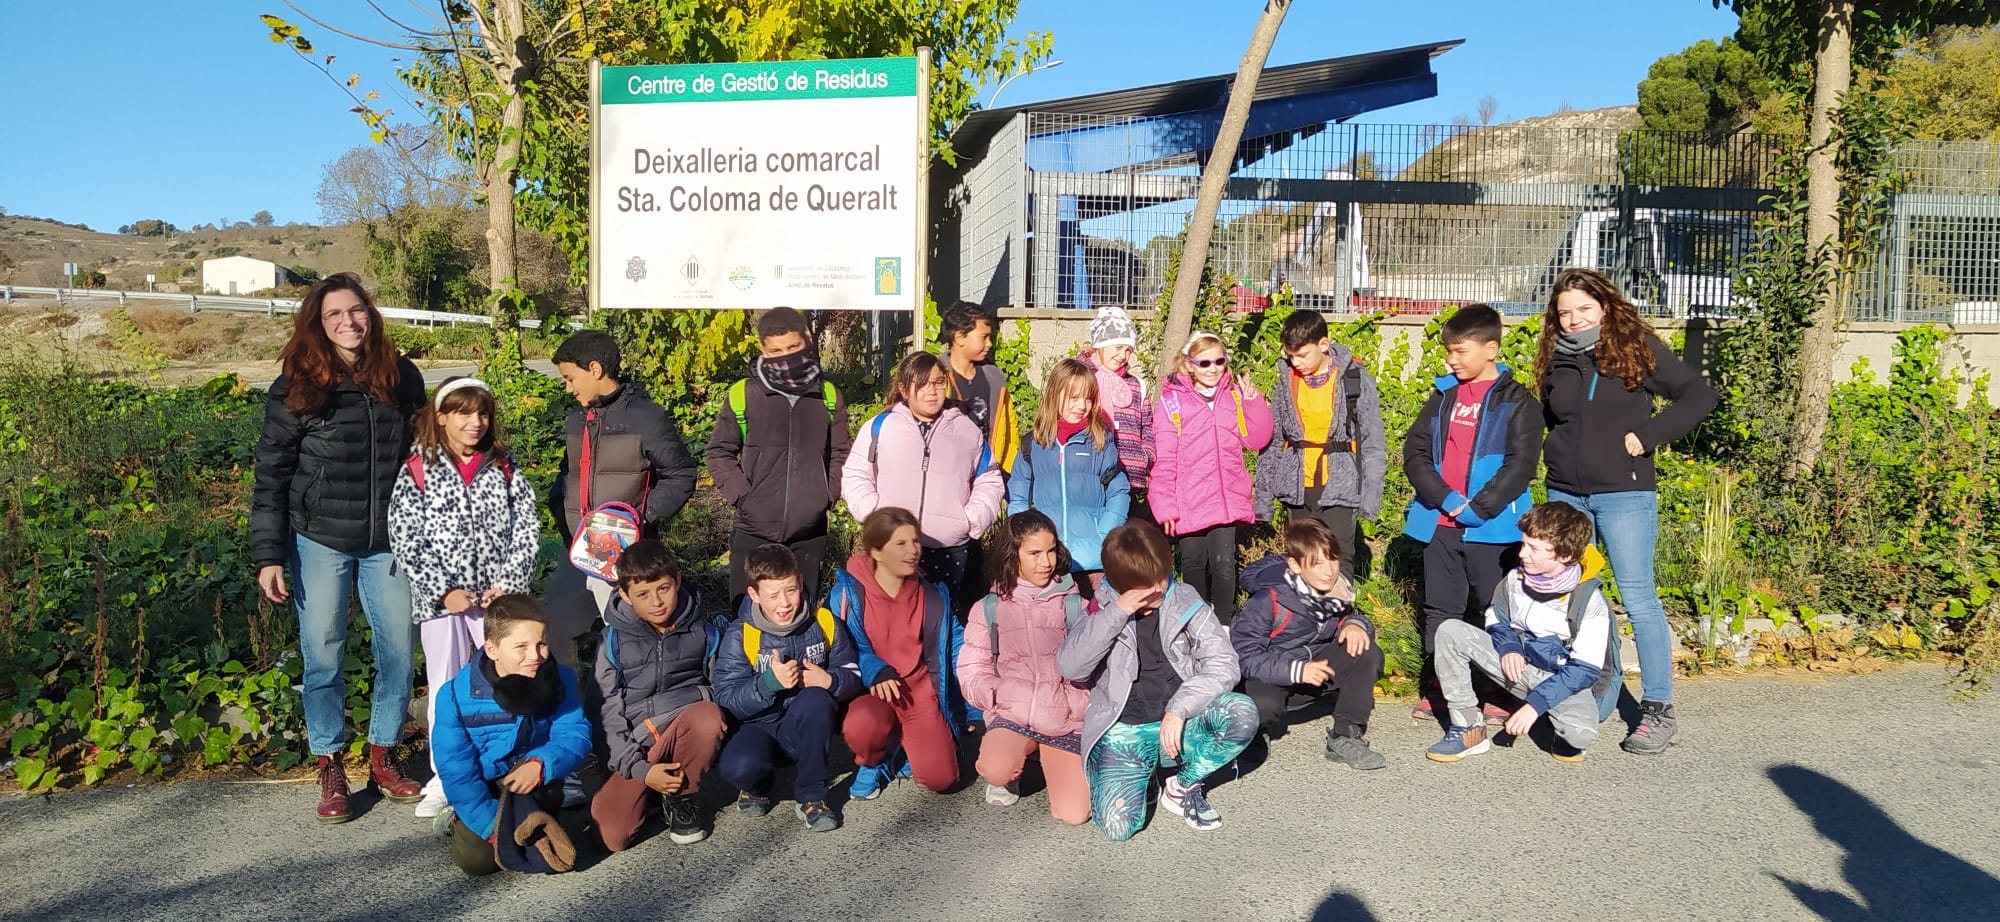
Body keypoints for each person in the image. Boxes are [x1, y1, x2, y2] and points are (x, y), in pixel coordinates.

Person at [250, 271, 428, 824]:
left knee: (398, 648)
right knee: (323, 652)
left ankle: (382, 753)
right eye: (334, 316)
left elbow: (426, 453)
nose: (349, 322)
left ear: (370, 315)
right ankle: (330, 762)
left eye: (357, 312)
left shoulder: (401, 377)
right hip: (319, 539)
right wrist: (269, 555)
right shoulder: (297, 386)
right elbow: (271, 475)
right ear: (318, 326)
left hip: (388, 540)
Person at [1535, 268, 1717, 755]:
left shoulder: (1634, 347)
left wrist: (1650, 436)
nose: (1573, 320)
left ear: (1605, 307)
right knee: (1579, 601)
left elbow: (1699, 394)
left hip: (1624, 493)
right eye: (1564, 312)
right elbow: (1547, 419)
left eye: (1584, 310)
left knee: (1637, 597)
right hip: (1565, 495)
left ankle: (1658, 708)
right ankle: (1594, 693)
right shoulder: (1556, 358)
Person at [387, 376, 542, 819]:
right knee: (447, 686)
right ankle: (448, 776)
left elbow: (526, 527)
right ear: (441, 418)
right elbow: (405, 537)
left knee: (519, 674)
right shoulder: (417, 468)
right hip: (444, 604)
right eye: (463, 413)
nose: (475, 423)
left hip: (498, 598)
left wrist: (510, 581)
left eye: (482, 413)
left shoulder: (504, 465)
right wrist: (444, 591)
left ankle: (528, 761)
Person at [1057, 521, 1256, 840]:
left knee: (1242, 713)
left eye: (1164, 576)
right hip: (1126, 730)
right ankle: (1145, 775)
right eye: (1150, 586)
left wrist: (1179, 709)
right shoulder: (1100, 608)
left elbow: (1224, 663)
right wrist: (1117, 612)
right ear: (1123, 587)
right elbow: (1071, 667)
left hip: (1180, 725)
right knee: (1118, 827)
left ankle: (1182, 784)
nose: (1162, 589)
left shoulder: (1185, 599)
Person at [1402, 304, 1543, 721]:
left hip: (1493, 528)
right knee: (1440, 609)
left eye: (1460, 351)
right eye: (1449, 351)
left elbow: (1520, 465)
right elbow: (1415, 453)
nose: (1451, 359)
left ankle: (1501, 691)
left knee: (1495, 610)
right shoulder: (1443, 395)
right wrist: (1447, 500)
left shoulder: (1519, 402)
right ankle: (1444, 689)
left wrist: (1477, 509)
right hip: (1440, 524)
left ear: (1491, 348)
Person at [547, 329, 699, 666]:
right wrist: (562, 514)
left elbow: (682, 475)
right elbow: (567, 474)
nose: (569, 387)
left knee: (632, 643)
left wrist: (639, 520)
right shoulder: (577, 418)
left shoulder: (645, 418)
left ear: (596, 370)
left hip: (626, 556)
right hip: (579, 551)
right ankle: (573, 713)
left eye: (571, 378)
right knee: (554, 631)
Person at [1426, 502, 1613, 764]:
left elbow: (1585, 670)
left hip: (1562, 679)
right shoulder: (1515, 579)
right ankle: (1468, 727)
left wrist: (1535, 705)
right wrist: (1509, 647)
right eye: (1524, 544)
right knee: (1451, 630)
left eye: (1534, 548)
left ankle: (1541, 713)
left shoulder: (1589, 600)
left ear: (1565, 555)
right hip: (1518, 667)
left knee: (1578, 737)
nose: (1523, 554)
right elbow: (1496, 618)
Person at [429, 595, 592, 876]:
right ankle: (456, 820)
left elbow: (574, 734)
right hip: (483, 786)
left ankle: (534, 816)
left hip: (536, 777)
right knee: (477, 862)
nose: (536, 655)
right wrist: (494, 830)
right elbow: (457, 771)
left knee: (544, 856)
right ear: (491, 649)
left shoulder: (559, 679)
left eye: (541, 643)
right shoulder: (454, 696)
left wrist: (542, 763)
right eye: (521, 646)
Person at [706, 307, 853, 603]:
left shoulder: (827, 395)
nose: (786, 357)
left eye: (793, 347)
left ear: (807, 339)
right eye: (776, 351)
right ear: (762, 348)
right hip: (753, 529)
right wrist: (744, 497)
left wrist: (826, 496)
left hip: (809, 534)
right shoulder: (743, 395)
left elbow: (841, 453)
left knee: (802, 619)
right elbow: (719, 452)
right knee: (746, 621)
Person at [714, 543, 863, 833]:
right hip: (759, 727)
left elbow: (853, 674)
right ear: (754, 595)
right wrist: (768, 683)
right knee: (738, 767)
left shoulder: (824, 622)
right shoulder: (740, 634)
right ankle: (756, 784)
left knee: (817, 699)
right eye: (772, 595)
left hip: (805, 727)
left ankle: (812, 796)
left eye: (791, 591)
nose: (784, 603)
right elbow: (726, 699)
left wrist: (830, 681)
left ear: (800, 583)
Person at [842, 351, 1005, 616]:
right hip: (892, 548)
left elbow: (989, 478)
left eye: (938, 382)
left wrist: (970, 519)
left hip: (949, 551)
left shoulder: (966, 429)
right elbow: (856, 474)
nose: (932, 391)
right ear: (904, 389)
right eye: (922, 384)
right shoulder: (880, 427)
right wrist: (874, 514)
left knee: (943, 624)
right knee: (892, 621)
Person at [589, 540, 727, 851]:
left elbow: (722, 689)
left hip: (686, 723)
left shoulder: (705, 632)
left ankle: (682, 795)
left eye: (664, 588)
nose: (657, 602)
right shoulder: (611, 642)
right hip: (636, 744)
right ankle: (651, 789)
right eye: (643, 594)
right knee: (614, 836)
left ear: (677, 581)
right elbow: (604, 716)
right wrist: (641, 770)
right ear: (624, 594)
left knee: (708, 716)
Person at [957, 511, 1092, 825]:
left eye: (1050, 551)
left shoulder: (1077, 606)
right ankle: (1016, 762)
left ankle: (1049, 757)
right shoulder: (988, 608)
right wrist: (998, 693)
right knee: (996, 768)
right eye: (1034, 553)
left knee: (1075, 814)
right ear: (1012, 555)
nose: (1045, 562)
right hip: (1013, 715)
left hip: (1065, 719)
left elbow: (1100, 671)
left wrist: (1079, 703)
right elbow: (971, 669)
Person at [1231, 518, 1386, 770]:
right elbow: (1244, 657)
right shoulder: (1268, 599)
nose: (1329, 571)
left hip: (1313, 672)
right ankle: (1252, 734)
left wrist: (1356, 625)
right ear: (1295, 565)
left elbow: (1348, 619)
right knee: (1261, 705)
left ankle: (1345, 735)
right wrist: (1296, 670)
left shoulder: (1336, 591)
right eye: (1317, 563)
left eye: (1333, 559)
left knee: (1367, 652)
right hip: (1271, 675)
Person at [835, 507, 968, 800]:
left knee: (941, 779)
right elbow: (841, 649)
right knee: (864, 724)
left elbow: (958, 646)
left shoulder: (932, 594)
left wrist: (978, 700)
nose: (913, 551)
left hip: (918, 691)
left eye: (915, 542)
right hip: (872, 693)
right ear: (877, 552)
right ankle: (875, 759)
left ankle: (906, 747)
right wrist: (874, 669)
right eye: (901, 544)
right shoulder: (847, 594)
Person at [1254, 310, 1386, 584]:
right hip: (1297, 486)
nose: (1296, 362)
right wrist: (1263, 499)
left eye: (1302, 355)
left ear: (1323, 344)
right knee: (1303, 558)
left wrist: (1370, 499)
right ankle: (1305, 621)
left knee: (1338, 556)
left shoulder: (1355, 380)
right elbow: (1273, 439)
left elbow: (1373, 442)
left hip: (1340, 484)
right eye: (1291, 356)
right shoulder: (1286, 382)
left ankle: (1341, 620)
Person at [1153, 331, 1274, 623]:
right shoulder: (1171, 404)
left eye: (1219, 361)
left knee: (1224, 564)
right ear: (1189, 364)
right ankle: (1197, 627)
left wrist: (1253, 402)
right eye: (1204, 363)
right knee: (1193, 565)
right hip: (1189, 501)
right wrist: (1165, 505)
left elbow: (1257, 440)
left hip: (1225, 500)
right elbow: (1165, 459)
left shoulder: (1233, 397)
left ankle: (1224, 626)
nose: (1213, 369)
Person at [1007, 358, 1130, 580]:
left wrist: (1106, 534)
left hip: (1094, 562)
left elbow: (1119, 492)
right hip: (1049, 562)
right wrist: (1026, 540)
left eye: (1088, 399)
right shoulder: (1033, 445)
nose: (1082, 405)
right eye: (1074, 397)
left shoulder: (1100, 442)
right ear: (1055, 394)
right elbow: (1018, 497)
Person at [1078, 305, 1154, 515]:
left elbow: (1147, 426)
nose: (1123, 355)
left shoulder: (1137, 385)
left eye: (1129, 350)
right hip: (1093, 477)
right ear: (1100, 344)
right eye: (1118, 347)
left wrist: (1146, 456)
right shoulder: (1082, 379)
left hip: (1130, 476)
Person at [938, 299, 1020, 475]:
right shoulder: (936, 377)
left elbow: (1010, 430)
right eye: (983, 337)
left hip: (986, 474)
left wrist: (1008, 473)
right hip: (947, 474)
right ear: (960, 337)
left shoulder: (995, 378)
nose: (990, 343)